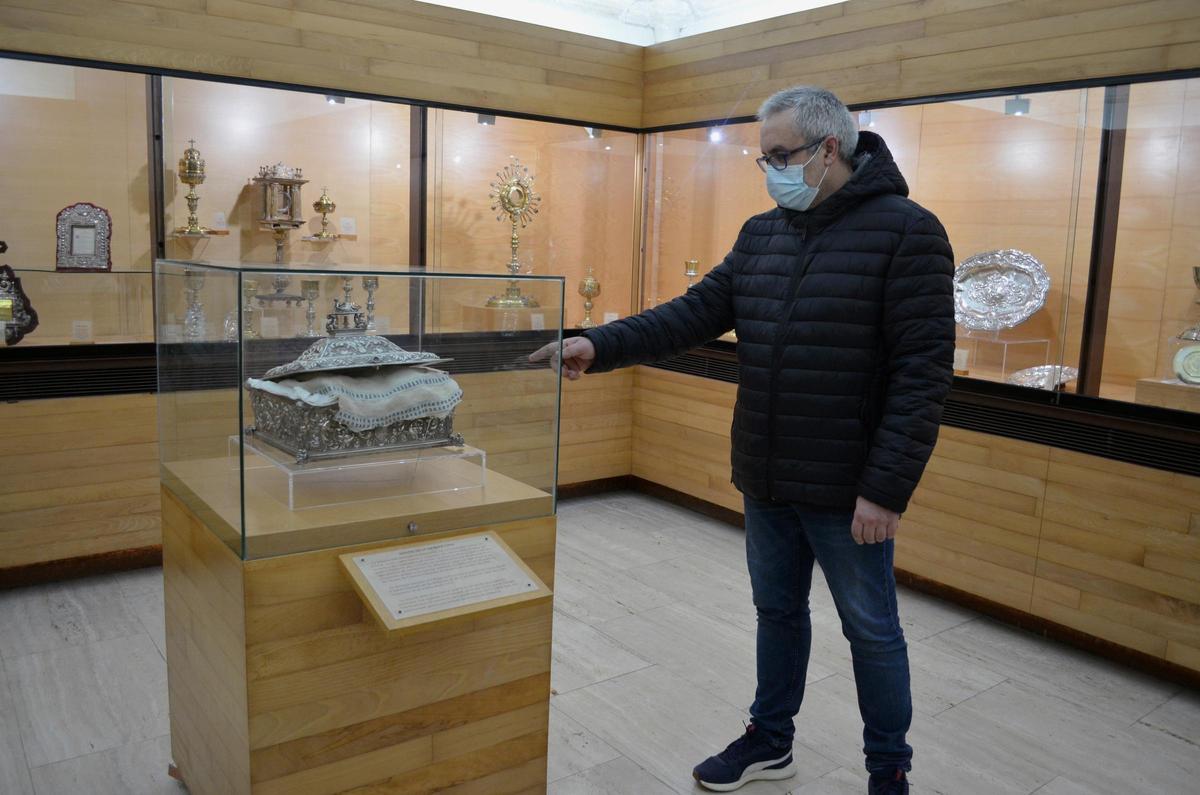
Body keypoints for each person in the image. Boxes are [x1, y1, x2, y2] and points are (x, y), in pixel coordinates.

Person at [530, 86, 954, 795]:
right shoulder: (763, 234)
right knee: (777, 613)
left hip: (848, 486)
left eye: (780, 155)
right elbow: (693, 313)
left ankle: (888, 769)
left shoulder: (908, 232)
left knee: (871, 629)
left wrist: (886, 489)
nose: (770, 171)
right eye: (764, 158)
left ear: (828, 149)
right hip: (767, 471)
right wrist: (598, 343)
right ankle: (771, 739)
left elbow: (923, 375)